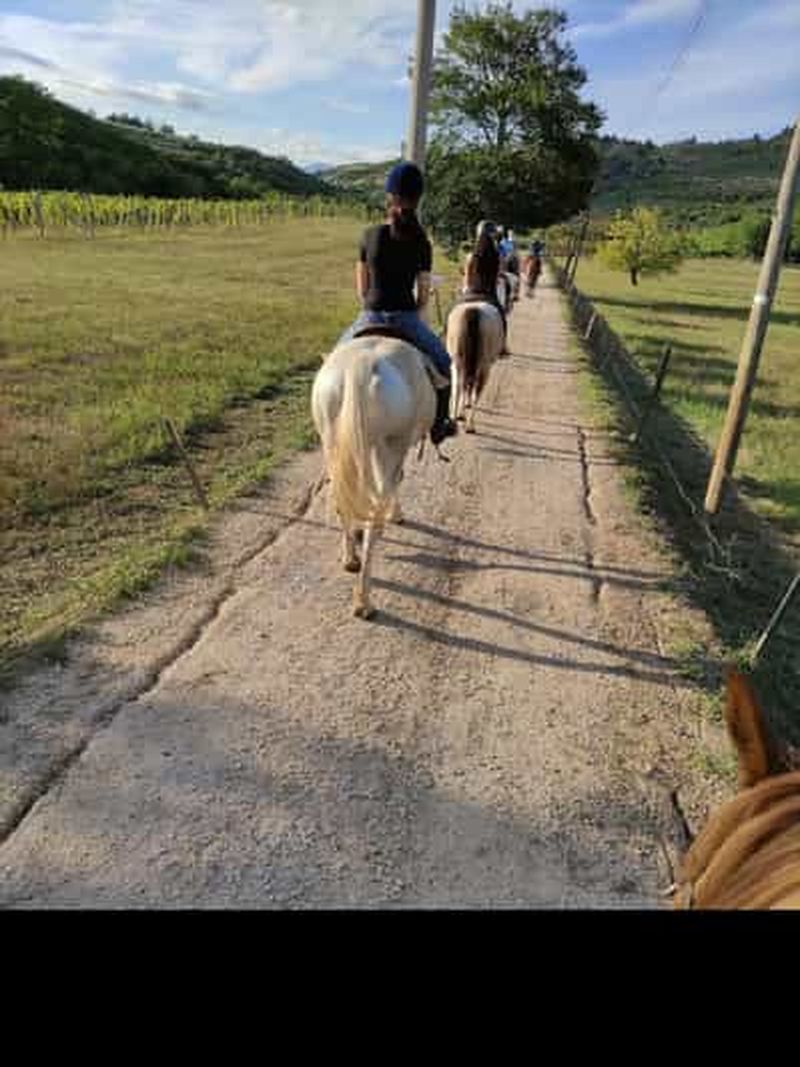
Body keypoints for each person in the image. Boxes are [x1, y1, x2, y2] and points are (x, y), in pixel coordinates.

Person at [336, 162, 457, 445]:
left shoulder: (369, 235)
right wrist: (418, 306)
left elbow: (362, 289)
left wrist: (372, 304)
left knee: (332, 362)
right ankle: (439, 426)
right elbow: (423, 295)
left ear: (389, 196)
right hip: (406, 318)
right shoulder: (422, 242)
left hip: (369, 316)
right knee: (444, 363)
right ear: (418, 198)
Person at [459, 219, 509, 353]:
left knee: (451, 313)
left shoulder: (471, 256)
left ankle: (447, 336)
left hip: (471, 292)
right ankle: (503, 345)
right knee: (502, 317)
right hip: (489, 294)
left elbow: (467, 279)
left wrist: (466, 288)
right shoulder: (497, 255)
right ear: (493, 235)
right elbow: (499, 275)